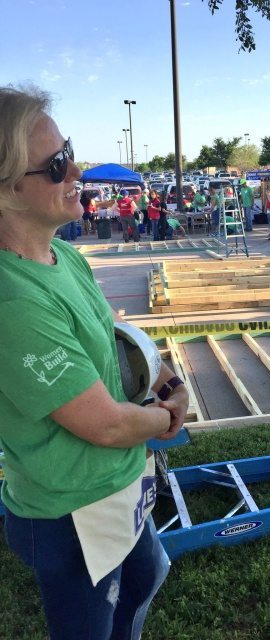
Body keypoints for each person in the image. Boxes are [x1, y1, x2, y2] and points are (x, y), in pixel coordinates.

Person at [0, 85, 189, 640]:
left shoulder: (65, 255)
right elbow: (105, 425)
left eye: (70, 150)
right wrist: (169, 417)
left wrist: (169, 381)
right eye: (58, 164)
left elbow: (115, 333)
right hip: (70, 512)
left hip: (116, 486)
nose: (76, 169)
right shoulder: (14, 301)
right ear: (9, 188)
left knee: (144, 579)